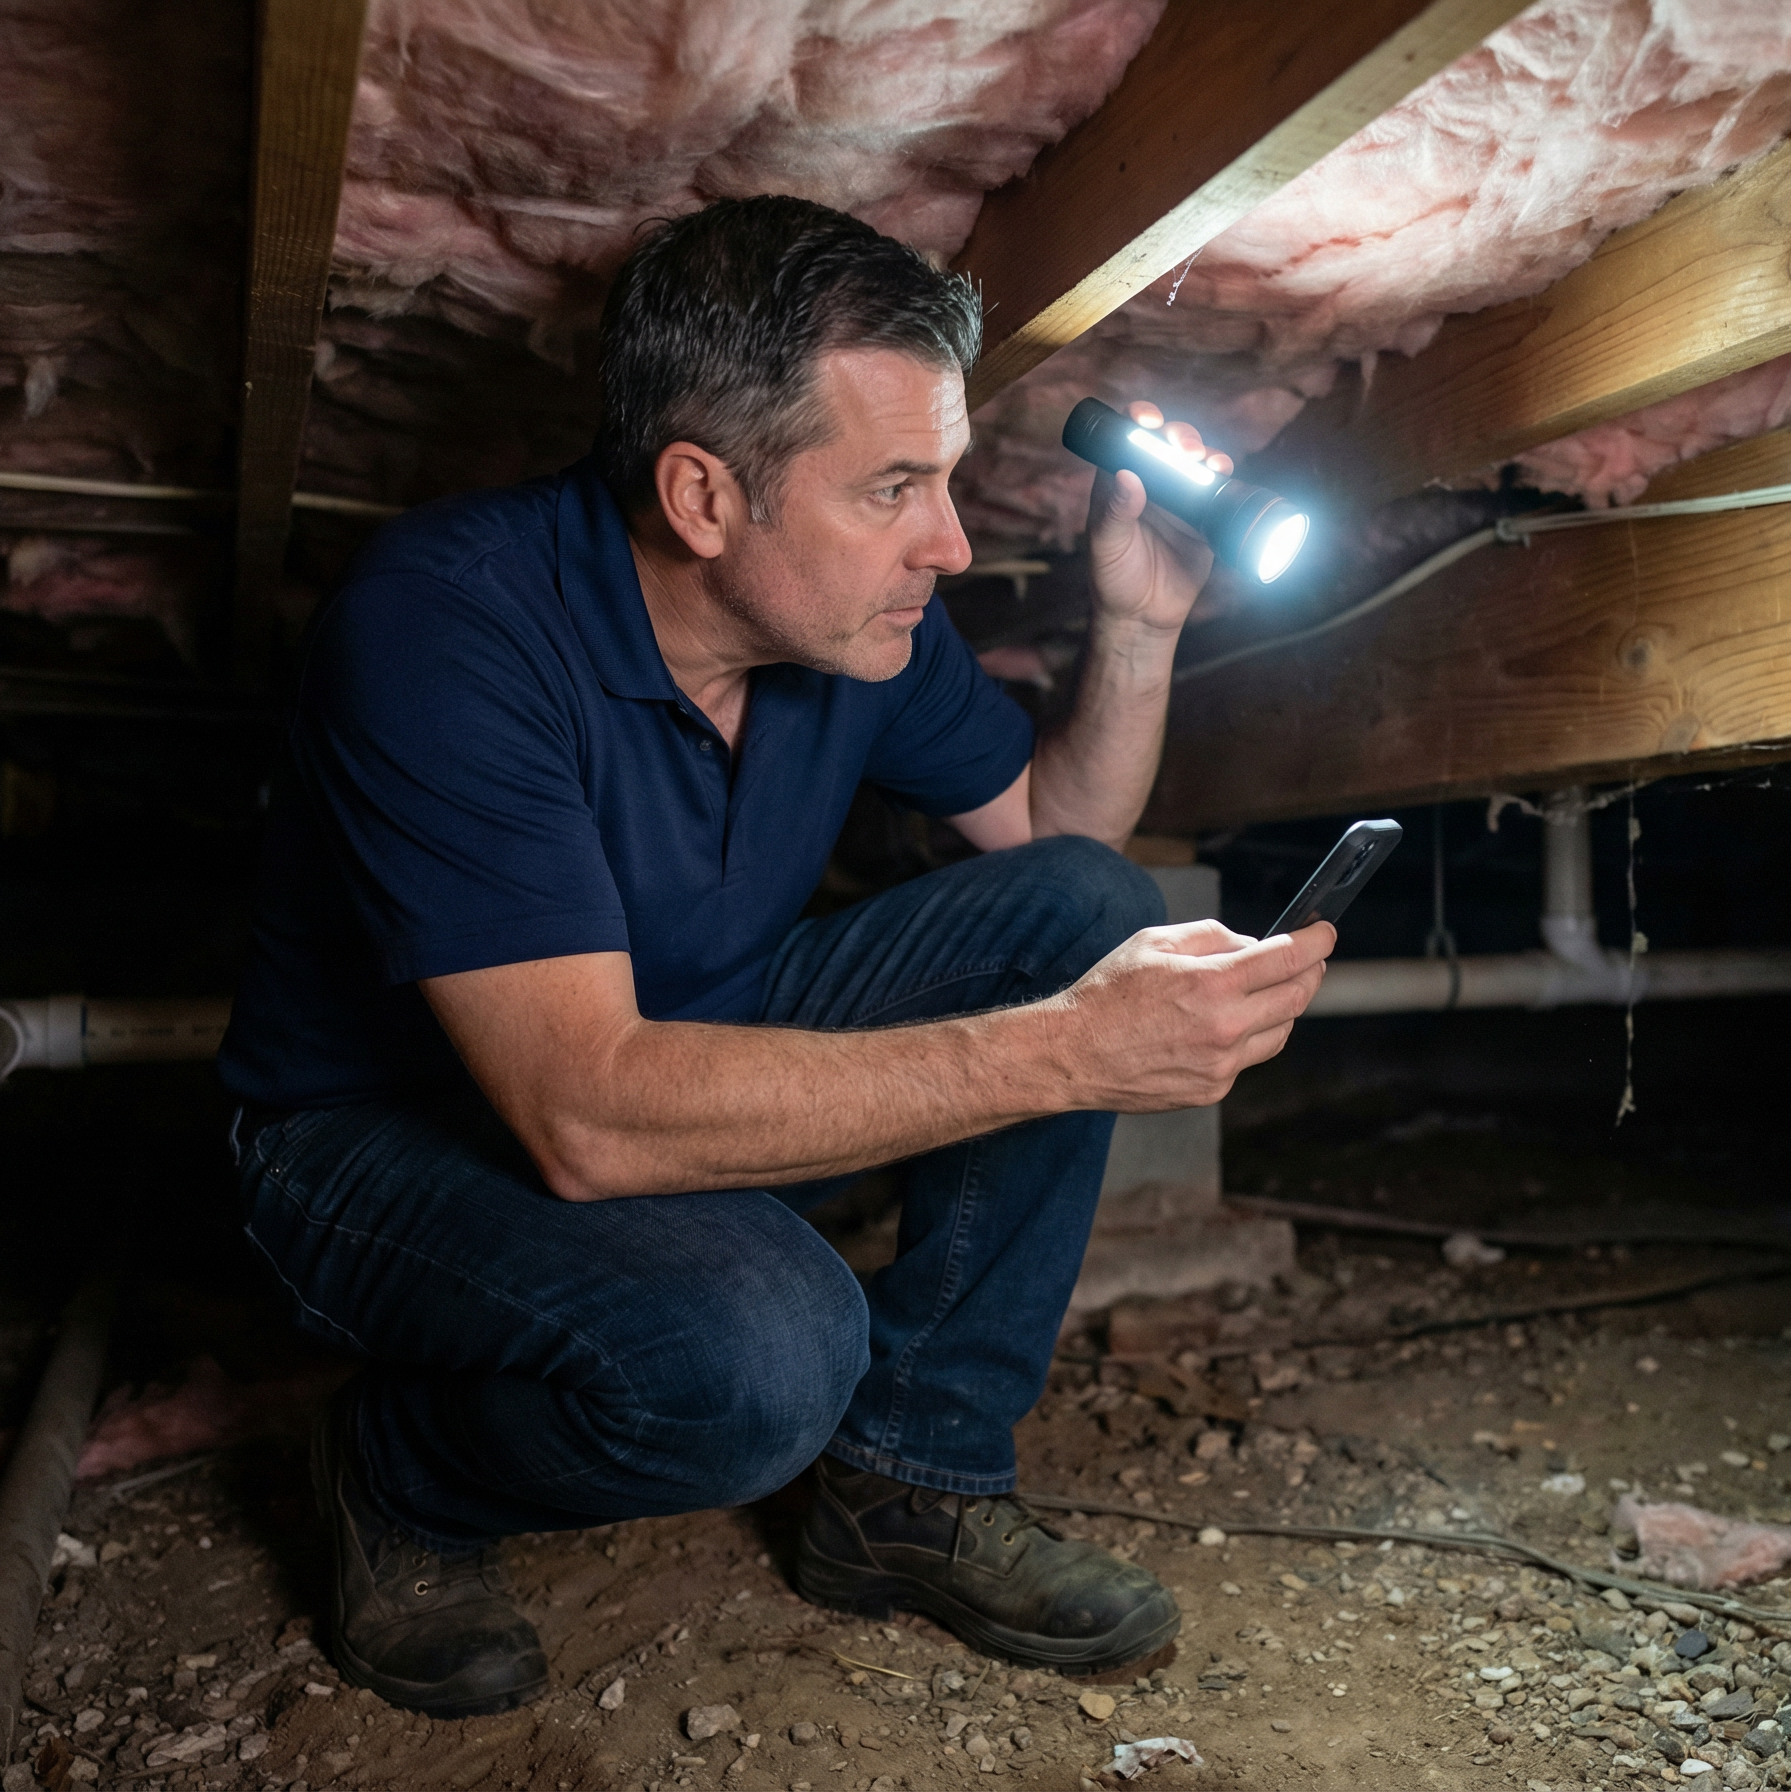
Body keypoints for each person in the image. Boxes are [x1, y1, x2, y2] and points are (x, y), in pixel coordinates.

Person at [216, 195, 1334, 1719]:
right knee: (764, 1360)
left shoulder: (858, 621)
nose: (946, 540)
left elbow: (1059, 838)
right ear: (701, 496)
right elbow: (589, 1112)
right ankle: (397, 1474)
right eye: (893, 487)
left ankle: (910, 1484)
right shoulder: (445, 630)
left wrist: (1138, 627)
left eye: (940, 479)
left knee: (1080, 905)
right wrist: (1072, 1049)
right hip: (382, 1142)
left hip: (678, 1046)